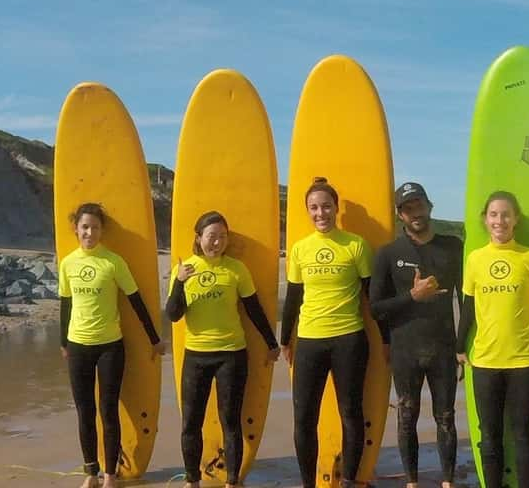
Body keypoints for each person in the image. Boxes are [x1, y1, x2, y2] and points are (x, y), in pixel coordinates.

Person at [456, 191, 529, 488]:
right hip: (485, 361)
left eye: (506, 214)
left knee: (523, 435)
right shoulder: (475, 260)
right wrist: (458, 347)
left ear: (516, 219)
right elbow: (468, 308)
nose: (500, 220)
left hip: (525, 361)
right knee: (489, 436)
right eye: (494, 214)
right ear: (485, 219)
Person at [166, 211, 280, 488]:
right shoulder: (184, 270)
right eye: (211, 237)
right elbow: (173, 314)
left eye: (222, 237)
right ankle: (192, 480)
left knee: (231, 421)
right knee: (191, 422)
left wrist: (271, 342)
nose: (216, 242)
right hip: (196, 356)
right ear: (199, 238)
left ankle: (232, 481)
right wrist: (180, 281)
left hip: (231, 354)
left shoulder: (236, 269)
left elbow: (253, 309)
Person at [59, 202, 166, 488]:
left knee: (108, 410)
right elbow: (65, 305)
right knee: (85, 411)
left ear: (102, 230)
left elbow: (136, 301)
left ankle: (110, 475)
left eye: (94, 227)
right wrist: (63, 343)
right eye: (84, 227)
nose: (89, 232)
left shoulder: (113, 262)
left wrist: (154, 339)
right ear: (76, 229)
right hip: (78, 345)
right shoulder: (67, 263)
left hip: (110, 346)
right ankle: (90, 473)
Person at [280, 177, 375, 488]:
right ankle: (308, 483)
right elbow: (293, 297)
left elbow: (371, 294)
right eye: (314, 208)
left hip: (349, 339)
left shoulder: (355, 245)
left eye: (326, 206)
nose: (320, 213)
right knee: (304, 417)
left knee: (351, 412)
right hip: (309, 341)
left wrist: (388, 337)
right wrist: (285, 340)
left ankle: (349, 481)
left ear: (336, 208)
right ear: (308, 211)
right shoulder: (300, 249)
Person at [370, 182, 463, 488]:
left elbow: (468, 299)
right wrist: (412, 296)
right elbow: (376, 308)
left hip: (443, 348)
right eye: (408, 209)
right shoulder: (388, 254)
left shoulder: (453, 247)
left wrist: (463, 345)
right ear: (400, 215)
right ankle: (412, 481)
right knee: (407, 414)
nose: (416, 213)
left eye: (419, 205)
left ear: (429, 206)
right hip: (405, 348)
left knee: (446, 417)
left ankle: (447, 480)